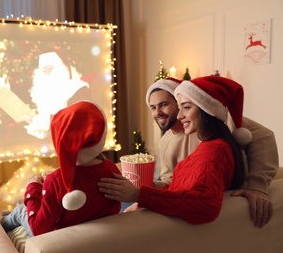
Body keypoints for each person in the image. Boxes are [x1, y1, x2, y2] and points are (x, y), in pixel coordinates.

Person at [98, 76, 250, 224]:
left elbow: (206, 205)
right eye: (153, 107)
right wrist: (145, 195)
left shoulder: (213, 150)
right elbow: (179, 186)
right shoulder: (210, 145)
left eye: (186, 107)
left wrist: (139, 195)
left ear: (207, 109)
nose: (180, 115)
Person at [144, 76, 279, 228]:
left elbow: (264, 136)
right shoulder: (165, 143)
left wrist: (256, 186)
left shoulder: (212, 130)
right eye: (153, 107)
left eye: (163, 105)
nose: (157, 112)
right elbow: (172, 182)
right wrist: (149, 186)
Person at [1, 101, 121, 236]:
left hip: (62, 240)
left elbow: (38, 230)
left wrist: (33, 187)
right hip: (102, 237)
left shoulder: (55, 181)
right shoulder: (111, 168)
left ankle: (1, 225)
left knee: (20, 210)